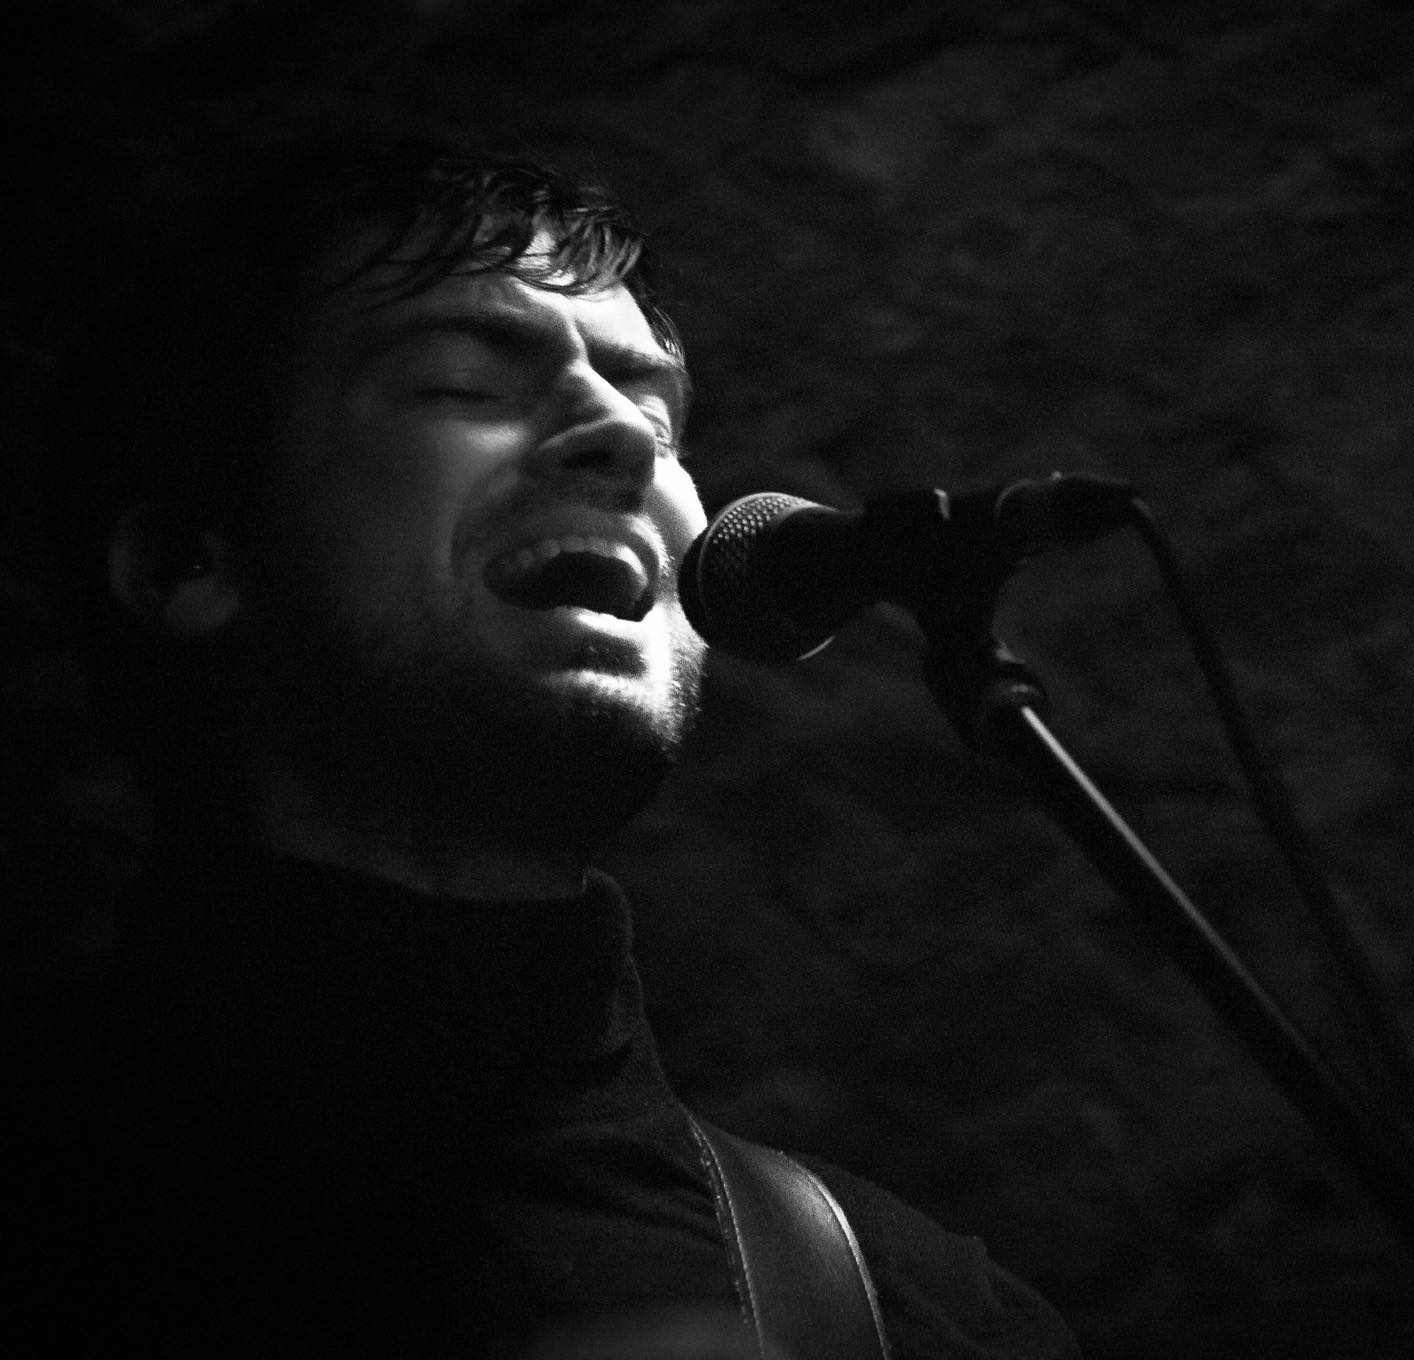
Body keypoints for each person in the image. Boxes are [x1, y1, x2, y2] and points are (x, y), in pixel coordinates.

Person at [14, 132, 1081, 1360]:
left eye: (655, 415)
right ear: (184, 564)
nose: (621, 435)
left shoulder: (921, 1316)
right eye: (463, 383)